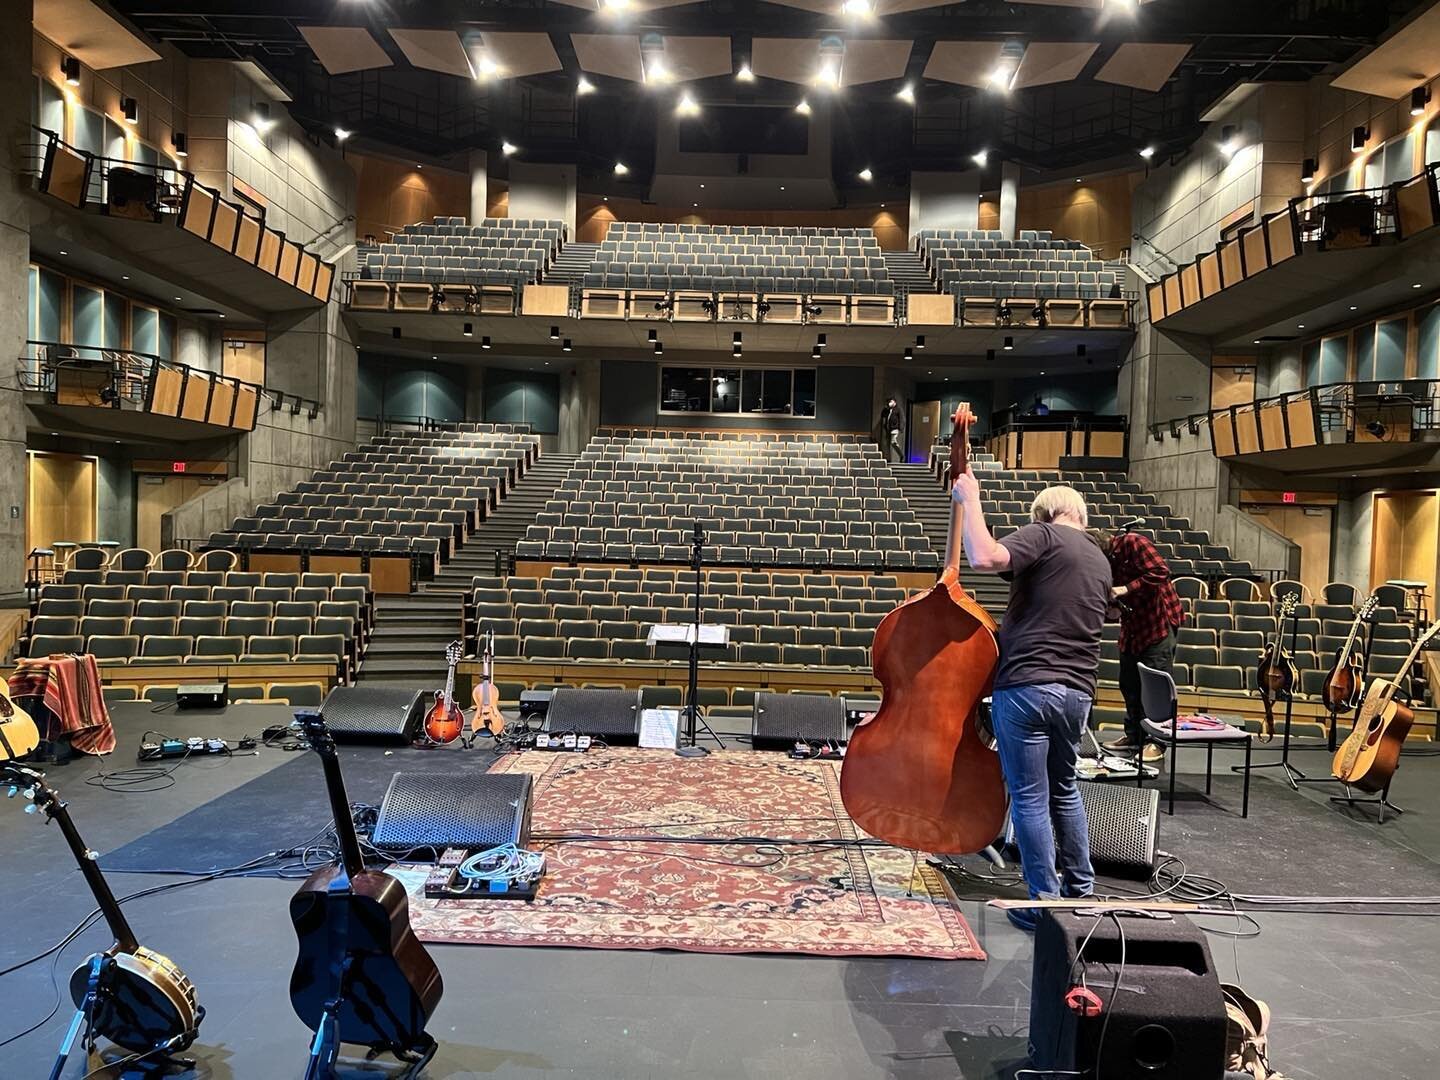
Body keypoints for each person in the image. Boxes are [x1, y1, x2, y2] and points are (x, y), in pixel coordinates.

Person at [951, 468, 1111, 931]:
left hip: (1028, 685)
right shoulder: (1098, 559)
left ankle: (1045, 905)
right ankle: (1082, 894)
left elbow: (983, 557)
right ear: (1081, 514)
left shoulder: (1044, 535)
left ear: (1046, 513)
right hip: (1078, 692)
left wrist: (971, 499)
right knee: (1065, 789)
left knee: (1030, 799)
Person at [1099, 528, 1185, 763]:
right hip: (1133, 624)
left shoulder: (1133, 542)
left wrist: (1124, 589)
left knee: (1155, 684)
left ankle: (1156, 742)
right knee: (1128, 681)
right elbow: (1117, 606)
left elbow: (1160, 571)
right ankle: (1134, 736)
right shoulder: (1105, 564)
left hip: (1158, 621)